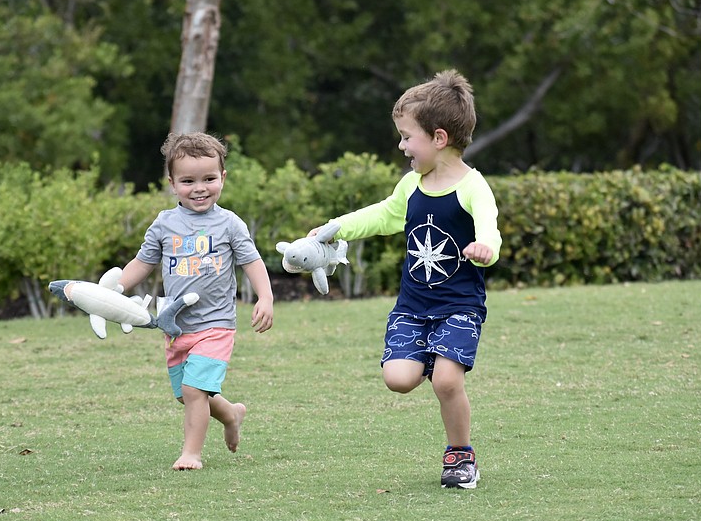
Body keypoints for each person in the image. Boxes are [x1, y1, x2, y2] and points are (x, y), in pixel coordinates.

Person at [310, 70, 501, 489]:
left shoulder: (473, 187)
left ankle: (460, 456)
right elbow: (382, 215)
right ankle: (438, 356)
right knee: (398, 379)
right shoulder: (412, 185)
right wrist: (334, 228)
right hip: (413, 308)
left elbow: (490, 226)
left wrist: (486, 246)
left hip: (459, 305)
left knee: (448, 381)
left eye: (405, 136)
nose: (400, 146)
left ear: (437, 138)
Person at [118, 131, 274, 470]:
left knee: (193, 390)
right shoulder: (164, 224)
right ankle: (231, 413)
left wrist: (265, 296)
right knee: (187, 394)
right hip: (175, 327)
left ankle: (191, 454)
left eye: (209, 178)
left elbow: (252, 261)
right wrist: (113, 289)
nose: (199, 187)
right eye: (188, 180)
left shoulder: (229, 223)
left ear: (223, 178)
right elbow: (142, 263)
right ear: (172, 183)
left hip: (216, 325)